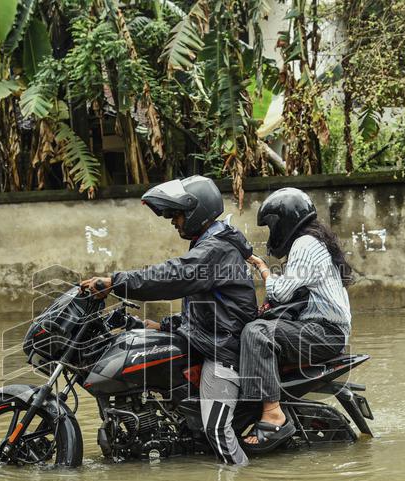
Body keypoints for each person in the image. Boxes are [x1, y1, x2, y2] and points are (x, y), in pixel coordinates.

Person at [80, 176, 256, 465]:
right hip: (208, 340)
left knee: (216, 429)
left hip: (223, 350)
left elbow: (173, 275)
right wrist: (164, 326)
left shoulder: (216, 249)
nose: (174, 222)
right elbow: (206, 309)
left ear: (196, 211)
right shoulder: (209, 244)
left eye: (177, 215)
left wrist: (116, 282)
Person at [240, 187, 353, 447]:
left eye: (272, 226)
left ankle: (273, 414)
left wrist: (262, 268)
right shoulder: (314, 241)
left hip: (325, 333)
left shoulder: (305, 244)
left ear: (285, 220)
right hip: (322, 329)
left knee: (257, 333)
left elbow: (281, 292)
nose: (272, 233)